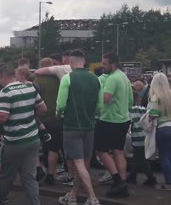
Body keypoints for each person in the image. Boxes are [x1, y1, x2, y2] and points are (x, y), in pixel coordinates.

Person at [56, 50, 102, 205]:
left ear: (70, 62)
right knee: (85, 162)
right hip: (90, 125)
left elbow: (61, 104)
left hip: (72, 126)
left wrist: (58, 113)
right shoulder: (96, 79)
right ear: (84, 61)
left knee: (78, 163)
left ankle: (92, 197)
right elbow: (100, 106)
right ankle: (73, 195)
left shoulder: (67, 78)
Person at [0, 64, 47, 205]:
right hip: (32, 138)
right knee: (29, 177)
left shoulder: (5, 92)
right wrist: (29, 115)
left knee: (7, 175)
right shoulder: (30, 87)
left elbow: (3, 117)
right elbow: (43, 108)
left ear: (3, 77)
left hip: (14, 141)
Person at [95, 53, 133, 198]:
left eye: (104, 64)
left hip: (109, 120)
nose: (102, 66)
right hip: (123, 119)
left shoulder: (111, 79)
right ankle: (122, 183)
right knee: (118, 151)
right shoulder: (124, 77)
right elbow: (130, 100)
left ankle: (117, 180)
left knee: (100, 150)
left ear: (113, 64)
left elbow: (105, 99)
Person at [34, 58, 62, 185]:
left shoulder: (38, 81)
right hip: (56, 118)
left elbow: (35, 102)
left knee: (36, 146)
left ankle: (39, 169)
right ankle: (51, 175)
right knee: (53, 148)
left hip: (41, 119)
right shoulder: (59, 79)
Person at [126, 91, 157, 186]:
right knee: (138, 158)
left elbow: (129, 124)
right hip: (145, 137)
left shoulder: (130, 110)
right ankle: (133, 176)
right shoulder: (143, 109)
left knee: (141, 159)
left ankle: (150, 178)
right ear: (138, 99)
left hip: (136, 138)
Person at [148, 73, 171, 191]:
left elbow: (153, 115)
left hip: (163, 129)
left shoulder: (155, 97)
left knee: (165, 156)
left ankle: (168, 183)